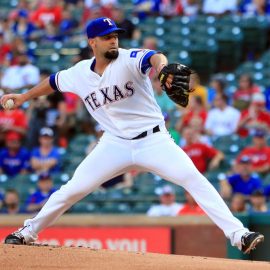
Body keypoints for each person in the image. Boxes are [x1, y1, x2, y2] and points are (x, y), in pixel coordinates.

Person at [2, 17, 263, 254]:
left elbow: (154, 57)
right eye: (107, 37)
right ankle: (27, 232)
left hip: (154, 140)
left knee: (194, 179)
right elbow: (53, 81)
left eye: (115, 35)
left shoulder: (127, 59)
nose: (113, 40)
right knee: (70, 190)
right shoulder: (79, 73)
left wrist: (162, 68)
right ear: (92, 42)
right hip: (113, 143)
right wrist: (24, 97)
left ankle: (239, 234)